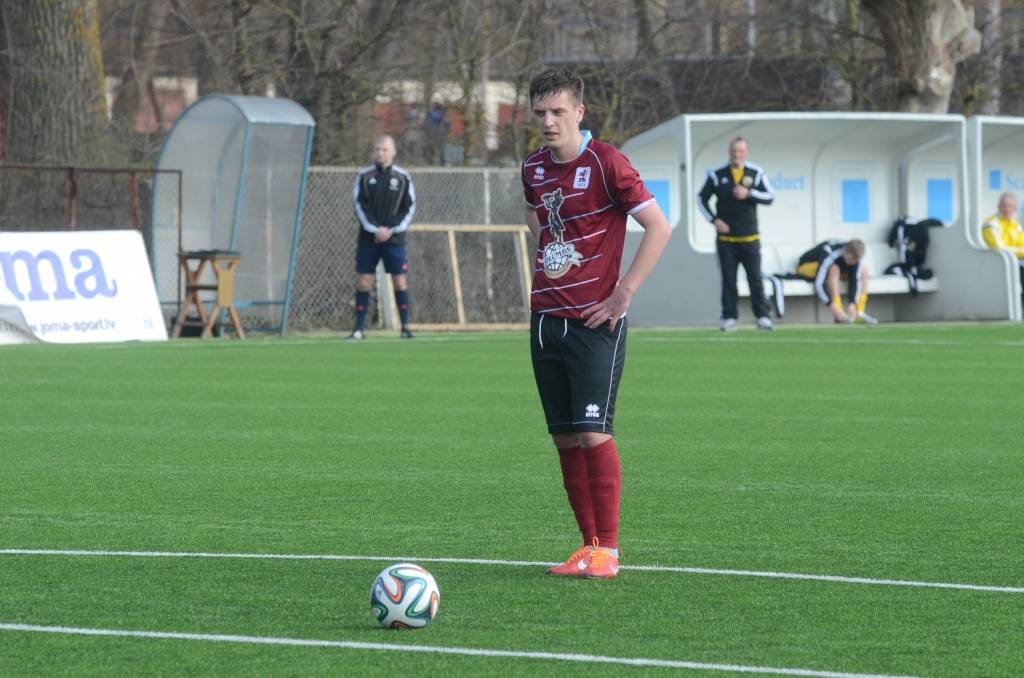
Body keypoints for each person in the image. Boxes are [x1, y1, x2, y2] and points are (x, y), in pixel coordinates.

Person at [522, 68, 672, 579]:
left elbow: (658, 226)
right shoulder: (533, 167)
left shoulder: (606, 162)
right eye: (541, 112)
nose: (548, 121)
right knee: (564, 438)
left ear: (579, 112)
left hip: (594, 322)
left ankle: (609, 549)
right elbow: (536, 216)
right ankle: (585, 547)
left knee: (591, 432)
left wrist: (623, 292)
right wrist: (556, 253)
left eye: (558, 111)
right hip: (545, 319)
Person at [697, 137, 776, 332]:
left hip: (750, 239)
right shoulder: (717, 174)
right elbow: (701, 198)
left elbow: (770, 196)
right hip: (726, 241)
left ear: (746, 153)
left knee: (755, 279)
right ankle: (729, 317)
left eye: (740, 151)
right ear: (729, 152)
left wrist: (749, 193)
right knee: (729, 280)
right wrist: (714, 220)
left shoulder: (756, 173)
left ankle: (763, 317)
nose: (737, 154)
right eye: (734, 151)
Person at [349, 135, 416, 340]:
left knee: (399, 281)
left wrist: (391, 229)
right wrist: (374, 229)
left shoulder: (403, 177)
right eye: (377, 149)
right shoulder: (364, 176)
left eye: (384, 149)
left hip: (394, 239)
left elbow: (409, 207)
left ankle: (405, 328)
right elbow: (359, 206)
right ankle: (359, 329)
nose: (380, 153)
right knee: (364, 281)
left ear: (393, 152)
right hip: (369, 238)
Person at [796, 239, 877, 324]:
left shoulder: (854, 258)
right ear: (846, 252)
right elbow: (819, 283)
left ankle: (859, 311)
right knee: (834, 269)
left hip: (829, 270)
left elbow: (855, 280)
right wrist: (832, 306)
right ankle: (838, 310)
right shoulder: (829, 253)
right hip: (806, 267)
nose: (853, 263)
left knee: (864, 270)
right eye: (851, 259)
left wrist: (852, 302)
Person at [981, 192, 1024, 307]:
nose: (1007, 209)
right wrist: (1020, 251)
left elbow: (1022, 244)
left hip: (1014, 262)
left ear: (1015, 208)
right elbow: (999, 249)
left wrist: (1019, 251)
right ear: (998, 206)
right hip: (997, 263)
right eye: (1004, 206)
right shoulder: (991, 223)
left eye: (1010, 206)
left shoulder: (1015, 225)